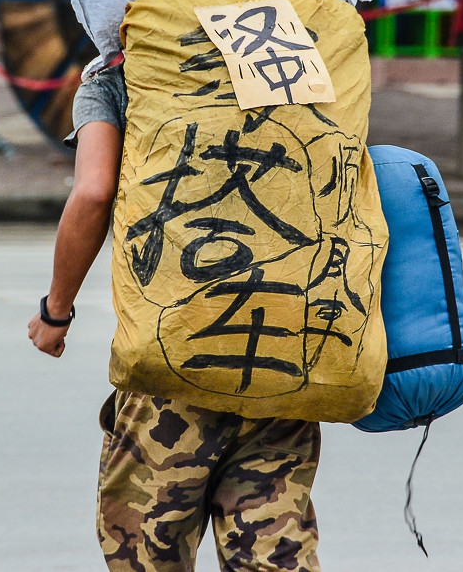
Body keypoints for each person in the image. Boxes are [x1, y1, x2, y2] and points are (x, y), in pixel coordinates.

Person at [27, 64, 323, 572]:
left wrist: (55, 310)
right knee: (274, 553)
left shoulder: (119, 79)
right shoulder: (293, 65)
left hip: (175, 359)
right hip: (280, 347)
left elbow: (94, 193)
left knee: (148, 551)